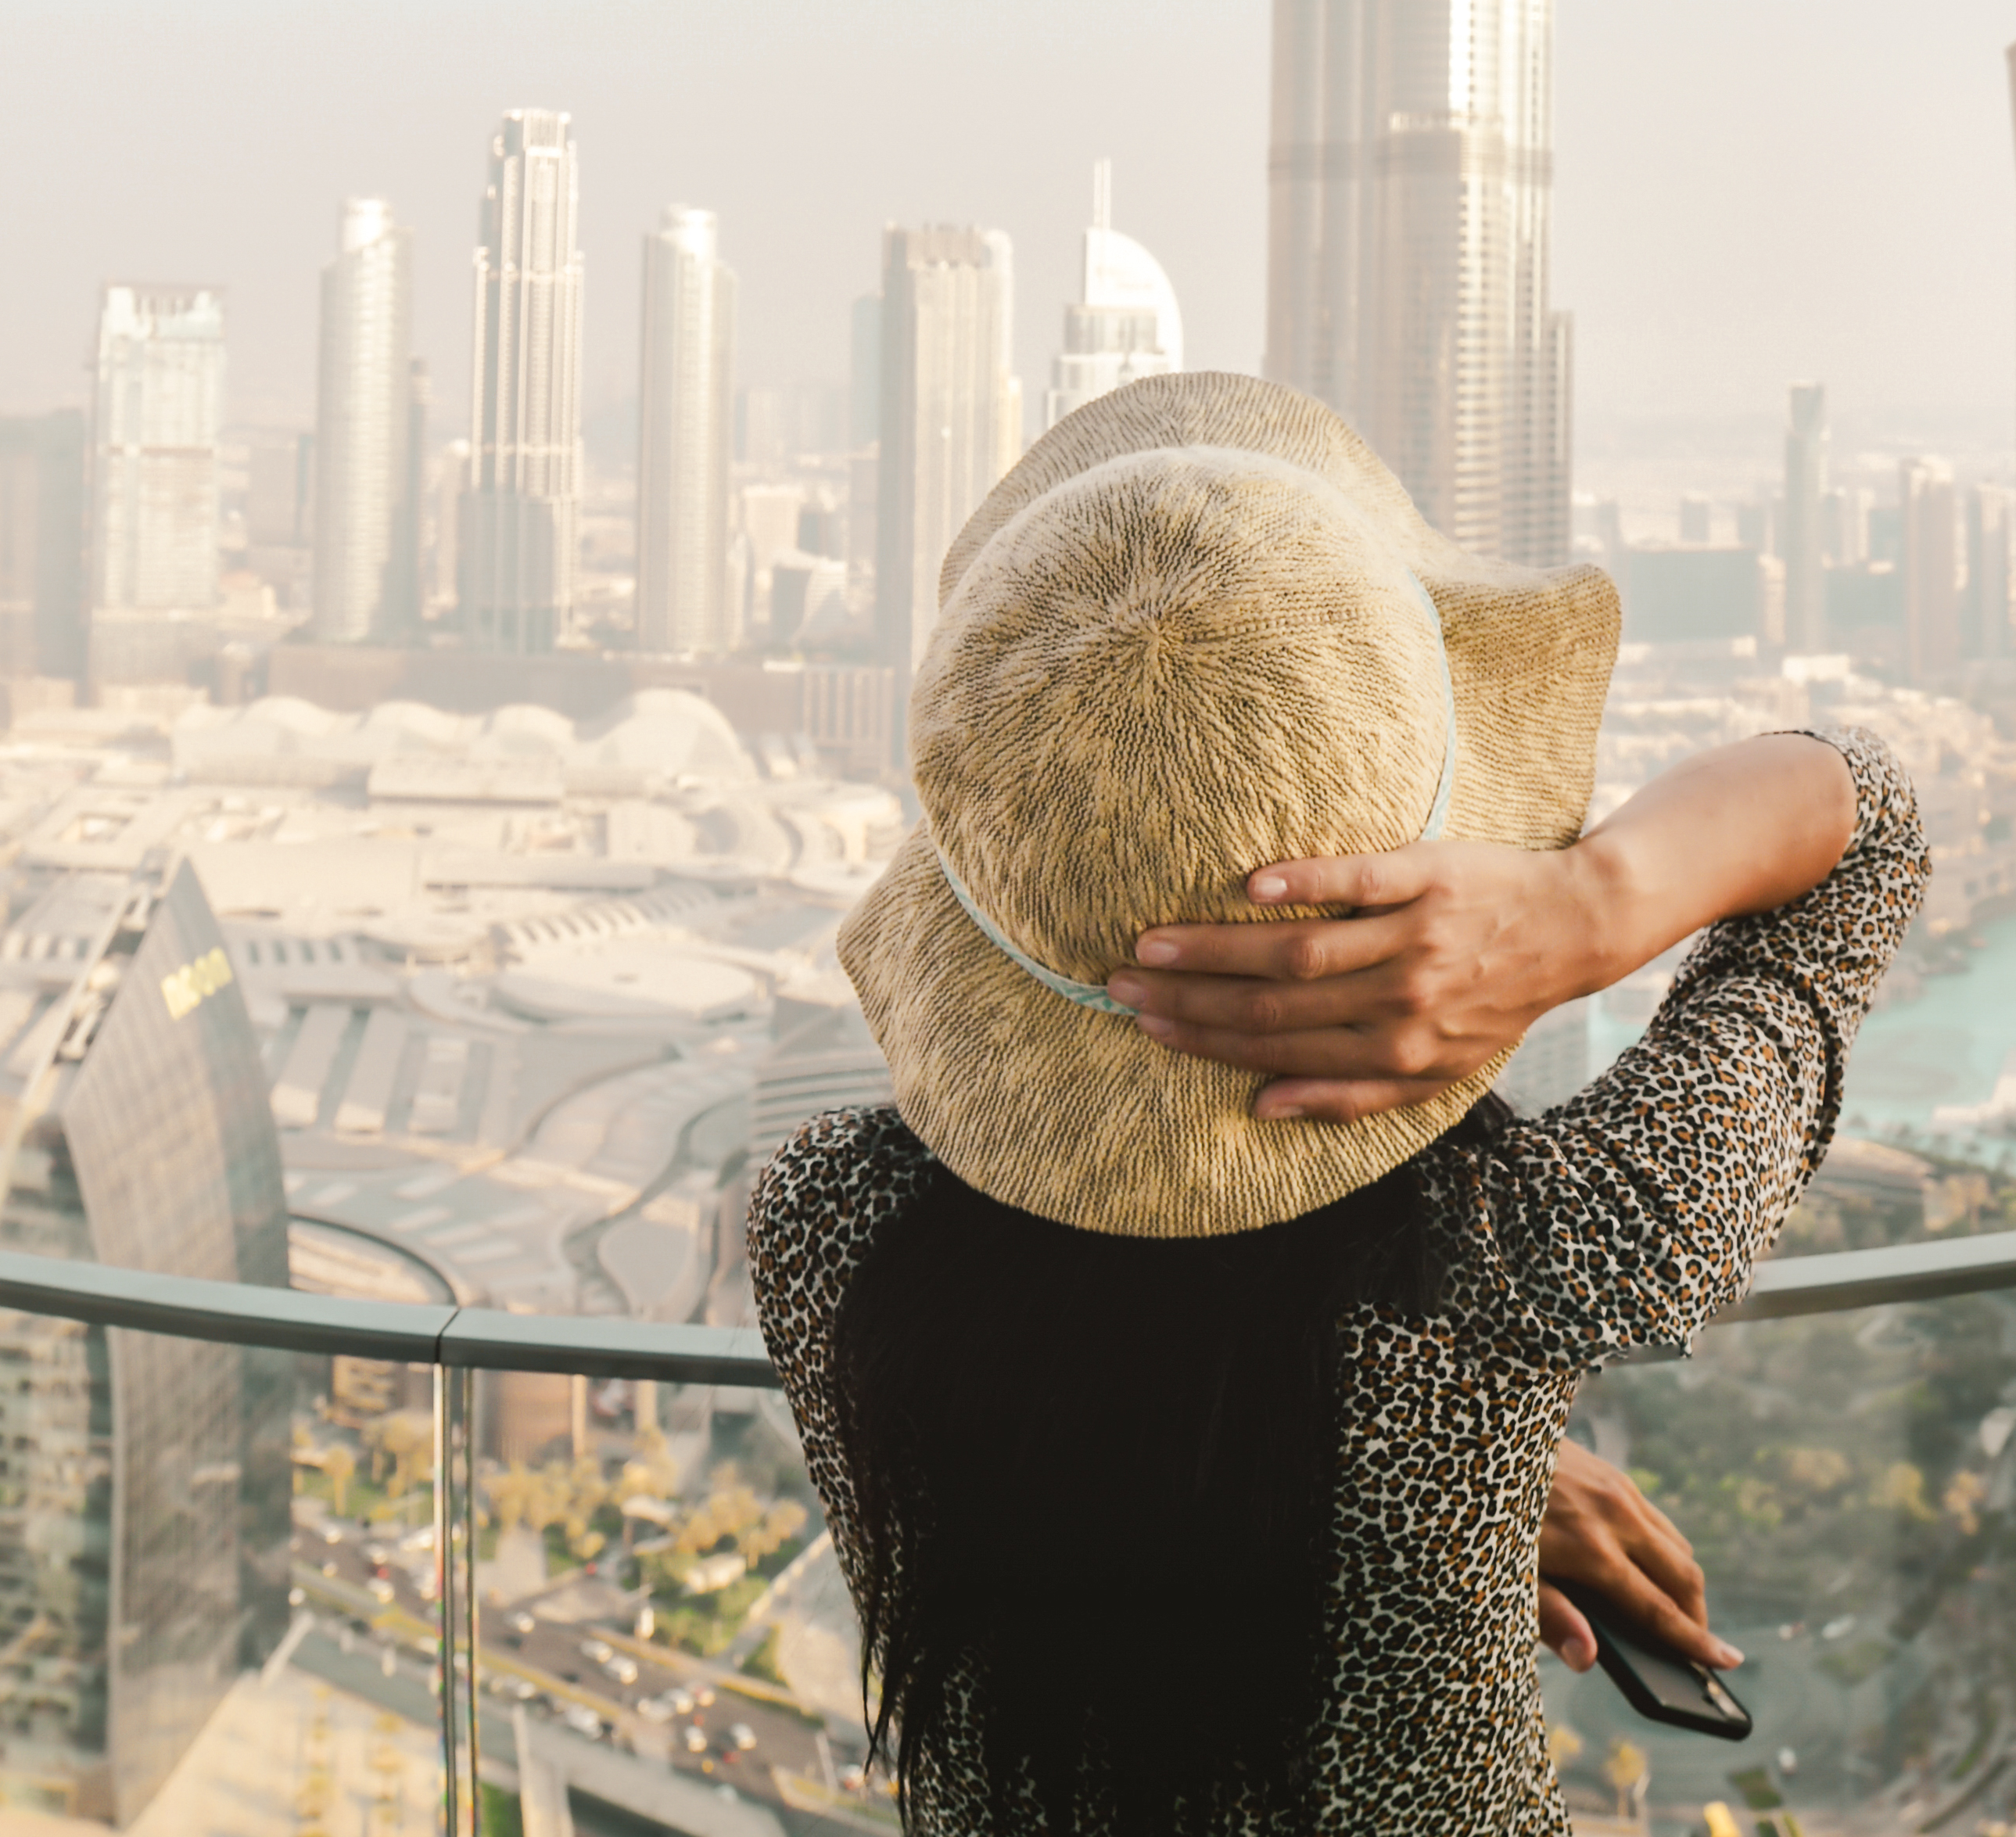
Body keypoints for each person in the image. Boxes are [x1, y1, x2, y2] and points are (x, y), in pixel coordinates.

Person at [750, 374, 1921, 1836]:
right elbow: (1861, 821)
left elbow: (1135, 1394)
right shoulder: (1538, 1249)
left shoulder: (825, 1228)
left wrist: (1469, 1475)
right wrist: (1580, 908)